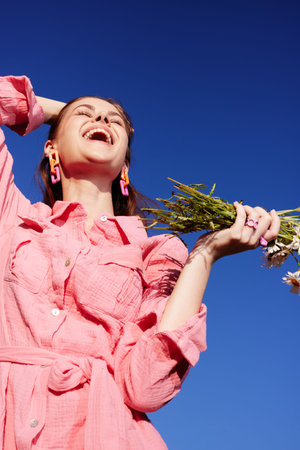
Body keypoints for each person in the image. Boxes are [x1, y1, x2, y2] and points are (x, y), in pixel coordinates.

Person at [0, 75, 280, 449]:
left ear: (125, 166)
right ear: (51, 148)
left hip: (103, 431)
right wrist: (58, 112)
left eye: (114, 121)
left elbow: (145, 387)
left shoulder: (156, 251)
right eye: (86, 115)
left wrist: (206, 253)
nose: (101, 122)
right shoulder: (12, 218)